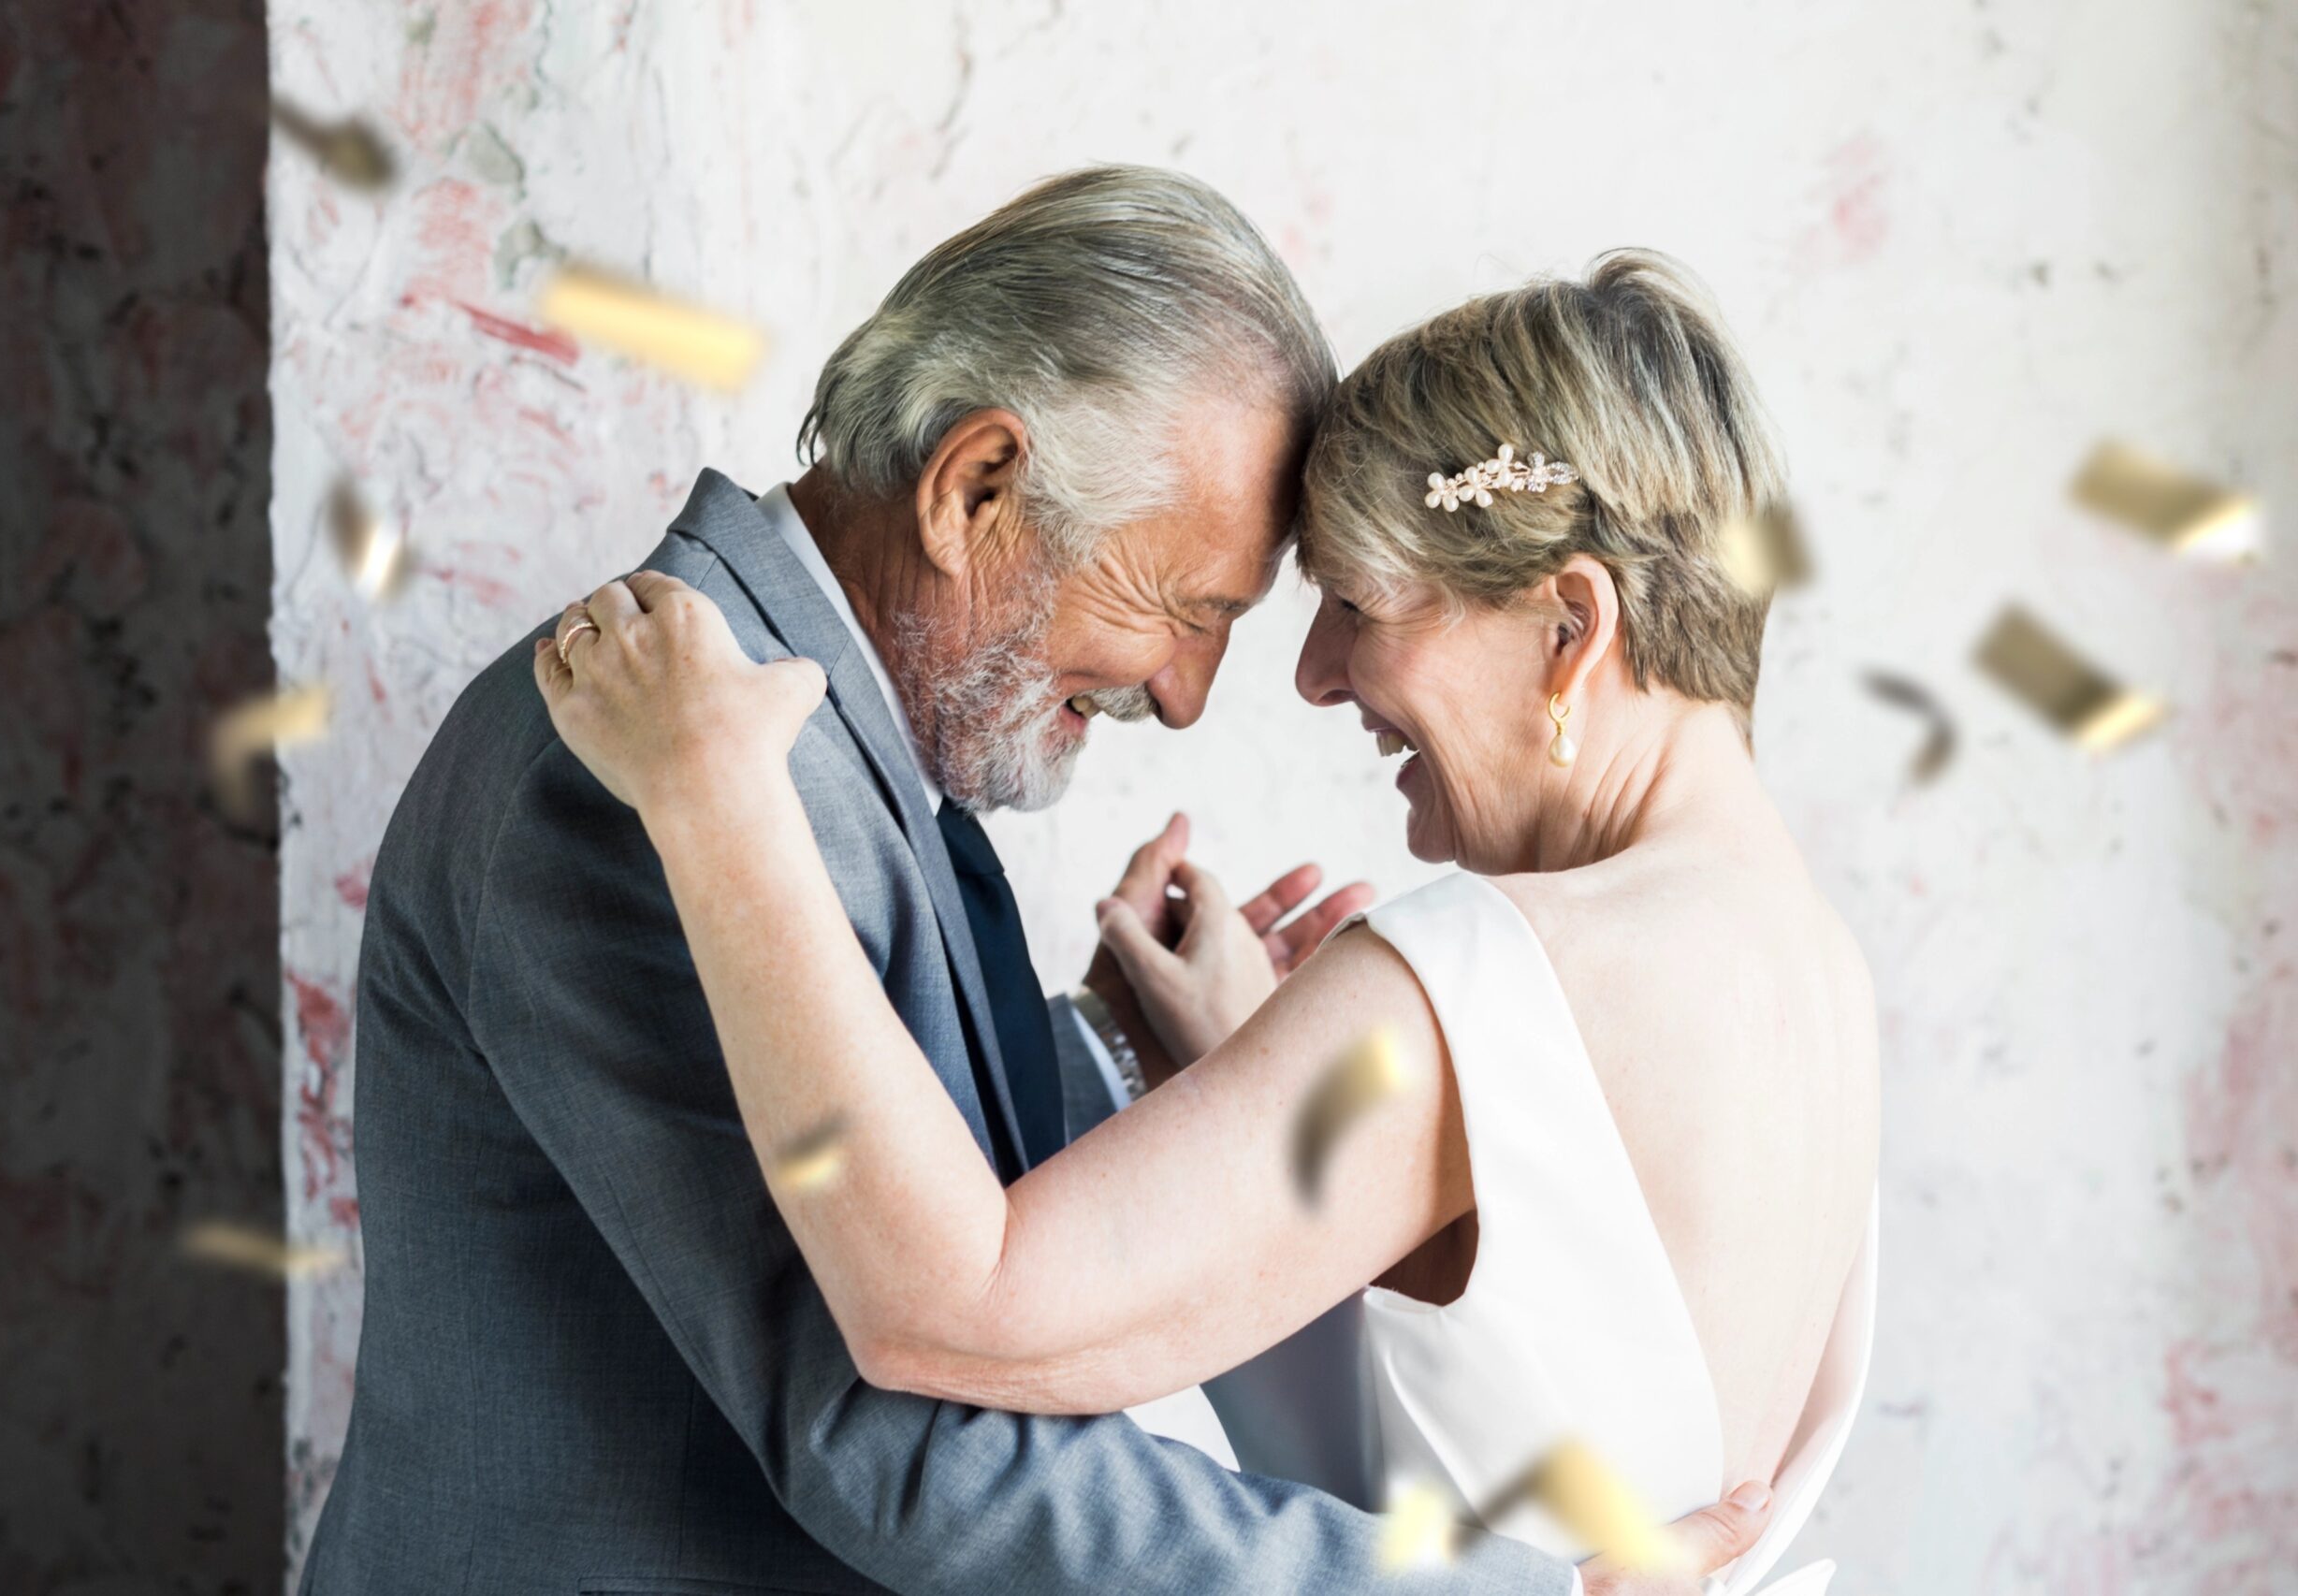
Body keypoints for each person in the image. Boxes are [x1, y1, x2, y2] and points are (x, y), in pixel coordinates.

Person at [303, 167, 1767, 1595]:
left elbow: (866, 1166)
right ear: (977, 487)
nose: (1186, 696)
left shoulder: (821, 742)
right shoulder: (655, 772)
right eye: (1186, 608)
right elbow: (905, 1442)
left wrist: (1113, 1048)